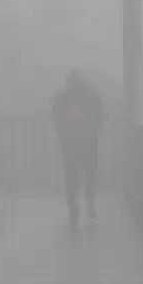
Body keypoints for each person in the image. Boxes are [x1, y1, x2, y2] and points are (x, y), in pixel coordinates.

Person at [52, 69, 105, 228]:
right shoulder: (91, 95)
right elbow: (101, 115)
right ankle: (90, 207)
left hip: (70, 143)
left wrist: (62, 131)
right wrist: (93, 129)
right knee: (89, 175)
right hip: (88, 142)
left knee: (71, 178)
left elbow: (56, 117)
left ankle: (74, 210)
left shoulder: (62, 98)